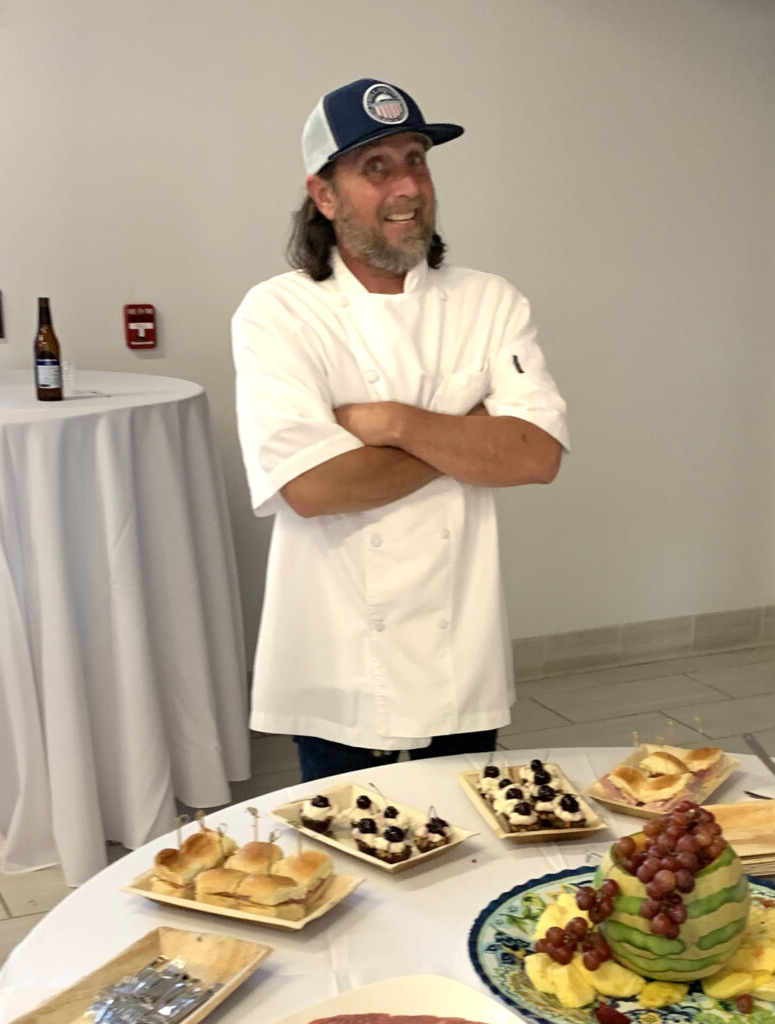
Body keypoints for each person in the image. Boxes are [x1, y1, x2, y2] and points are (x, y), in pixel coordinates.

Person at [231, 78, 569, 782]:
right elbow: (315, 487)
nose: (407, 185)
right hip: (335, 656)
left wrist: (393, 423)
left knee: (471, 854)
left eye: (416, 158)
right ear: (323, 196)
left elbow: (537, 456)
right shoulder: (279, 313)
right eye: (375, 167)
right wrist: (470, 437)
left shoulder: (488, 299)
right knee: (352, 863)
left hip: (459, 657)